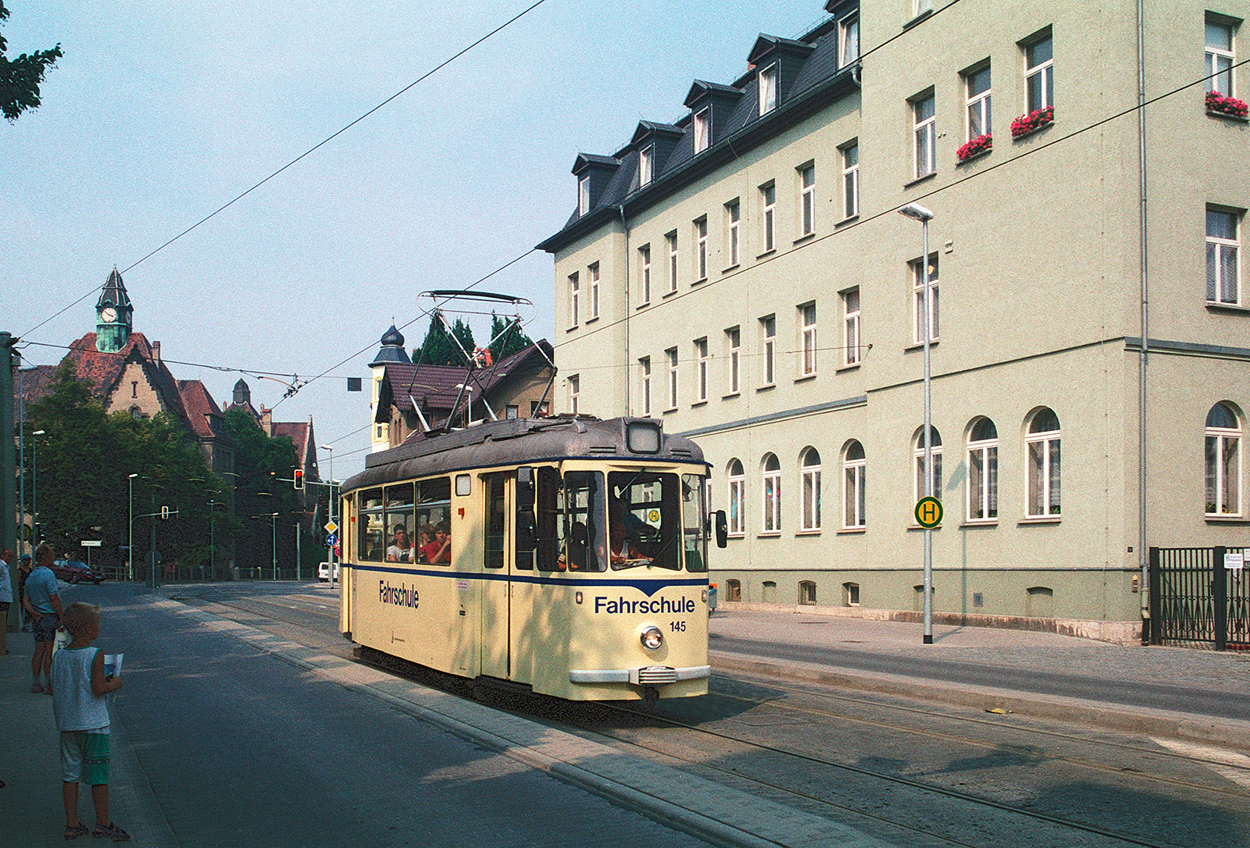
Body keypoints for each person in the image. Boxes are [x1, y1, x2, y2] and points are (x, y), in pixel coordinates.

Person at [51, 602, 128, 842]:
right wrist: (115, 683)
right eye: (97, 624)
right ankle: (102, 823)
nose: (99, 628)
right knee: (98, 775)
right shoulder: (95, 654)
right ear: (87, 629)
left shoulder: (59, 655)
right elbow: (98, 688)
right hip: (94, 724)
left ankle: (72, 824)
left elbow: (53, 687)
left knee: (70, 775)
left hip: (68, 724)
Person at [23, 544, 62, 694]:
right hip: (49, 616)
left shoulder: (31, 576)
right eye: (51, 555)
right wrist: (61, 616)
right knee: (49, 650)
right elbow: (54, 598)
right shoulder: (48, 575)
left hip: (37, 618)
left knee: (38, 650)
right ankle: (48, 684)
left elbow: (25, 600)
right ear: (45, 557)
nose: (53, 557)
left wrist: (33, 612)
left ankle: (35, 682)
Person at [0, 549, 13, 656]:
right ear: (2, 556)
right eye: (9, 556)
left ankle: (2, 646)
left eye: (12, 556)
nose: (11, 558)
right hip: (1, 598)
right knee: (1, 623)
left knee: (3, 624)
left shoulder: (6, 567)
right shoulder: (1, 566)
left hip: (6, 597)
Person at [18, 553, 33, 631]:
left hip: (29, 591)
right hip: (22, 591)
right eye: (26, 560)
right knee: (23, 606)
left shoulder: (30, 570)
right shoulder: (19, 571)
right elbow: (18, 581)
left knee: (29, 607)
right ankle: (24, 623)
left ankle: (28, 622)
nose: (28, 562)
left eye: (29, 560)